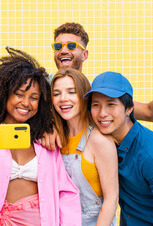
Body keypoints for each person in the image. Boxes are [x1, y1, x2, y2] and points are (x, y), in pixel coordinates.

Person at [0, 0, 153, 149]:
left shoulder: (96, 94)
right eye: (58, 46)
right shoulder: (41, 86)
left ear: (84, 54)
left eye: (71, 45)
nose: (63, 50)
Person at [0, 47, 81, 225]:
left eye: (34, 97)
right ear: (5, 94)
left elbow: (66, 192)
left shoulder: (44, 141)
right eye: (19, 94)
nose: (26, 103)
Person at [85, 71, 153, 226]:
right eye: (96, 105)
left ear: (129, 109)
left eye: (111, 104)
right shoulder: (103, 140)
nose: (102, 114)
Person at [51, 68, 118, 225]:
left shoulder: (100, 141)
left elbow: (111, 200)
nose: (63, 99)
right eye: (56, 94)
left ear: (84, 96)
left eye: (71, 92)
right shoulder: (54, 137)